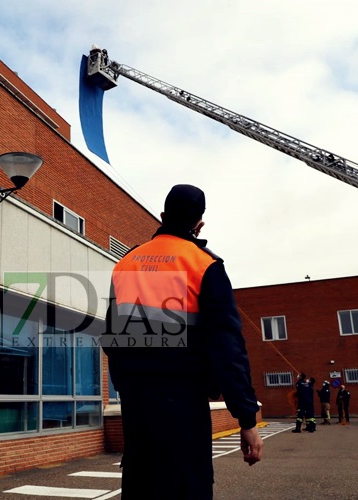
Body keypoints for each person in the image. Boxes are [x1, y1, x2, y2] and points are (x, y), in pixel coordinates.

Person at [103, 184, 263, 499]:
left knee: (140, 488)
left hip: (136, 407)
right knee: (186, 487)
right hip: (184, 404)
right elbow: (227, 348)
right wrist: (246, 418)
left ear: (163, 217)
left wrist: (128, 387)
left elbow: (112, 338)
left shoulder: (126, 264)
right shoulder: (204, 265)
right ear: (198, 224)